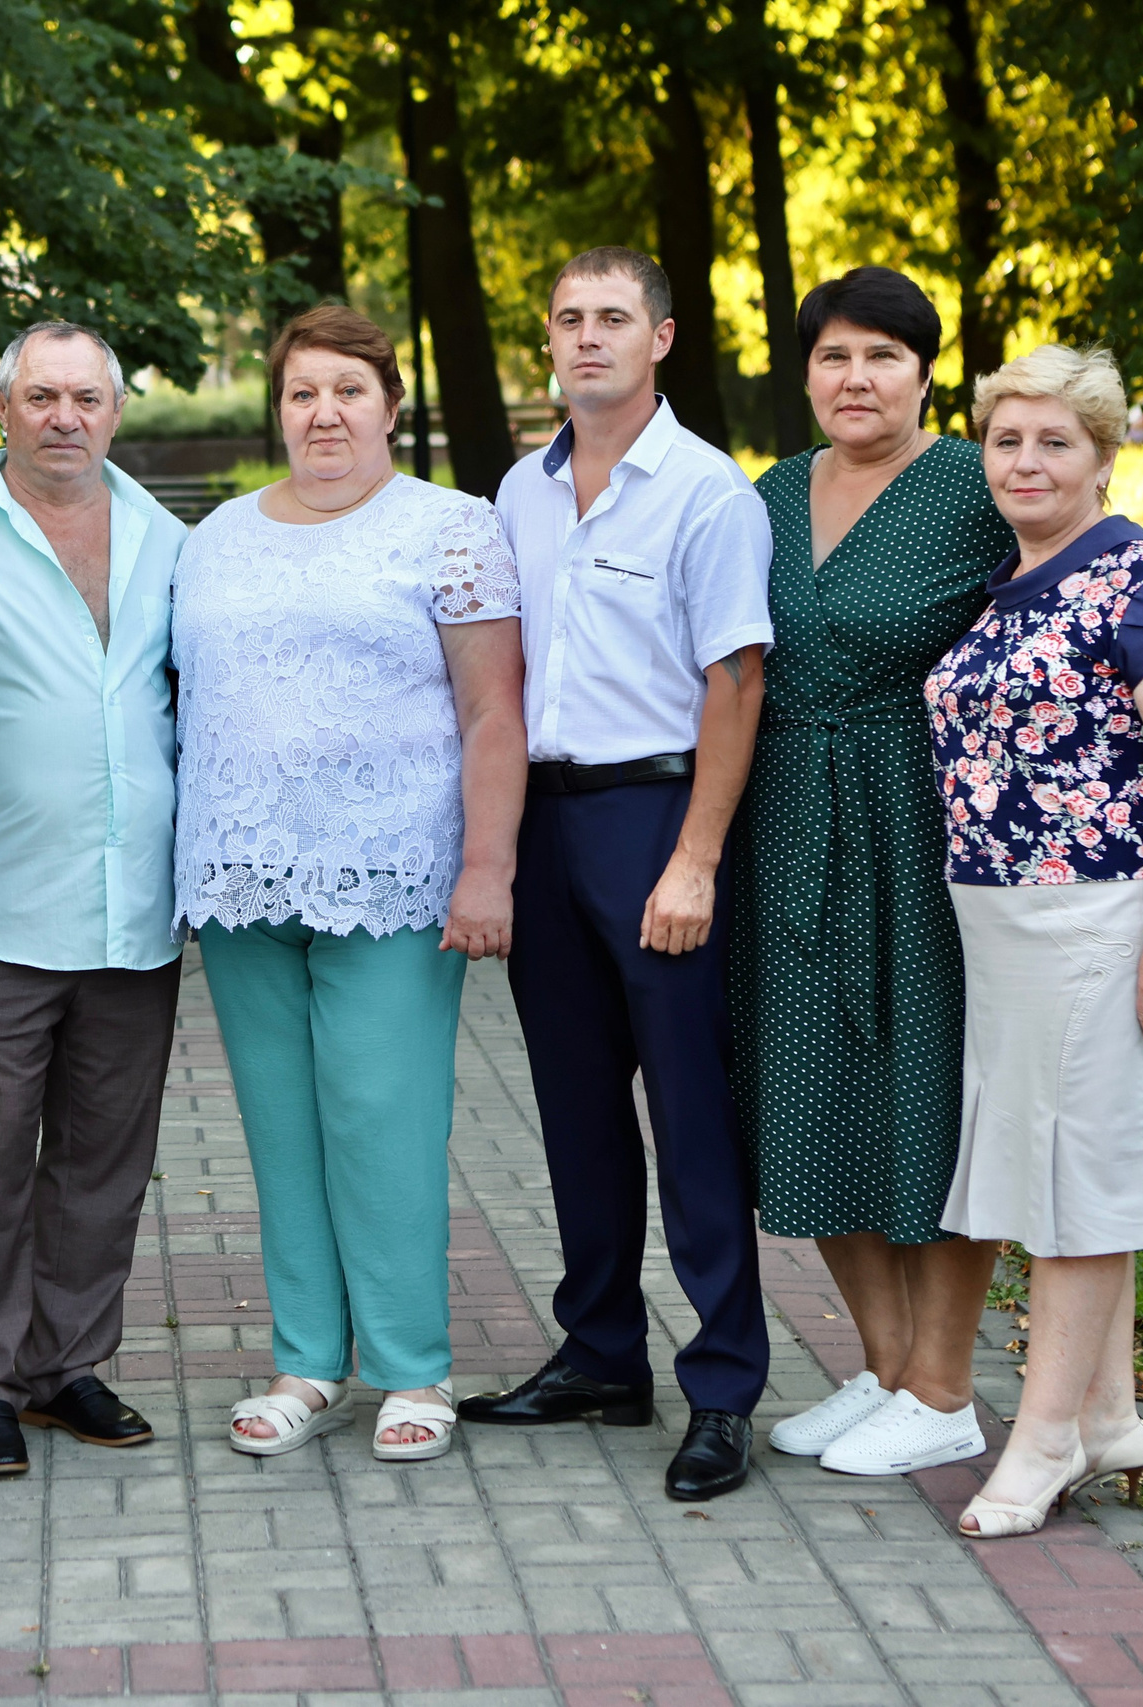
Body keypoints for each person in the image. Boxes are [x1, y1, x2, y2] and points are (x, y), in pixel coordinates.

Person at [175, 304, 525, 1465]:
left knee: (381, 1120)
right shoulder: (215, 538)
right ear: (278, 409)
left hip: (392, 877)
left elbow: (493, 711)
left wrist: (487, 870)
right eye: (300, 392)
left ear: (388, 406)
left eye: (347, 391)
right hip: (242, 883)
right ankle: (306, 1364)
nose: (322, 413)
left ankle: (413, 1369)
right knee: (280, 1130)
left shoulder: (451, 528)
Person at [463, 246, 772, 1503]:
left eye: (610, 318)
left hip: (654, 820)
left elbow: (736, 683)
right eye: (566, 319)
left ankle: (724, 1387)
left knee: (689, 1116)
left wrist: (695, 859)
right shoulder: (519, 491)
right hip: (546, 825)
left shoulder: (707, 493)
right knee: (577, 1111)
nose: (585, 337)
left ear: (661, 338)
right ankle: (599, 1355)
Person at [923, 344, 1143, 1537]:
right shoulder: (1007, 585)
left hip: (1099, 919)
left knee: (1079, 1183)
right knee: (1059, 1169)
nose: (1026, 461)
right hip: (1001, 926)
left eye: (1054, 441)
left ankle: (1042, 1442)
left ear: (1102, 456)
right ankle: (1106, 1419)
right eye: (1005, 440)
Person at [731, 268, 1016, 1477]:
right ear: (805, 373)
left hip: (925, 821)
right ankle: (890, 1370)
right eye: (834, 356)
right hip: (786, 816)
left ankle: (946, 1387)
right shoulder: (768, 495)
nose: (856, 379)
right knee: (806, 1088)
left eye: (882, 356)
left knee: (928, 1097)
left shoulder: (975, 486)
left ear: (925, 374)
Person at [0, 324, 185, 1477]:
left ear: (115, 412)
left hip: (137, 903)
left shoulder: (169, 540)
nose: (63, 417)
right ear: (0, 407)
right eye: (40, 396)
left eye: (85, 397)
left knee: (103, 1158)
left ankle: (64, 1366)